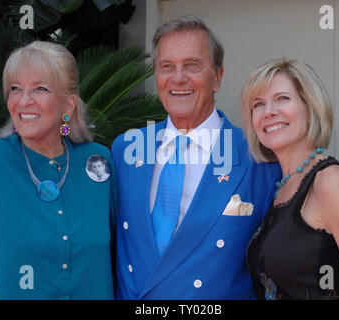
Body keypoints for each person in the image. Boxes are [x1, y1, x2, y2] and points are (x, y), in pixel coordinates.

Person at [112, 15, 281, 299]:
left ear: (216, 77)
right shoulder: (125, 150)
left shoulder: (259, 158)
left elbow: (280, 263)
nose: (178, 78)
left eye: (192, 65)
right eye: (167, 67)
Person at [0, 41, 117, 299]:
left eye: (40, 89)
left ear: (68, 105)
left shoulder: (99, 161)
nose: (24, 101)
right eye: (15, 89)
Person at [242, 58, 339, 300]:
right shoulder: (281, 186)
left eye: (282, 98)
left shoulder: (330, 181)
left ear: (310, 110)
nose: (269, 111)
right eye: (258, 104)